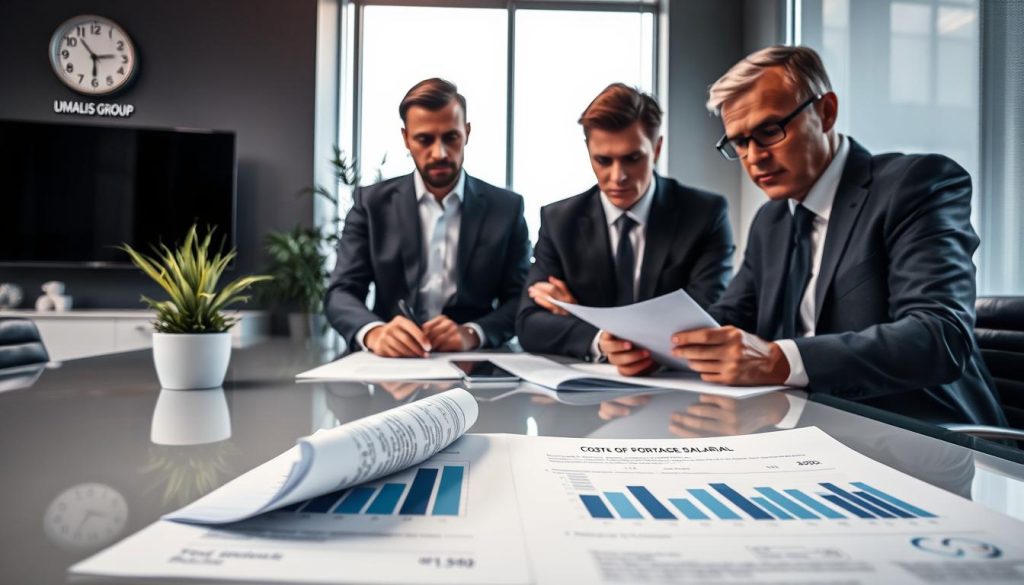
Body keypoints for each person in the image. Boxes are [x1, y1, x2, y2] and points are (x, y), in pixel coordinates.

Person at [666, 46, 1003, 425]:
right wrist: (657, 344)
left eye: (769, 130)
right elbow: (730, 319)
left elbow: (940, 337)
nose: (754, 156)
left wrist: (781, 360)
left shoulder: (916, 185)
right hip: (812, 430)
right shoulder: (772, 220)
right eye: (740, 142)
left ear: (825, 112)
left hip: (926, 436)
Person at [516, 83, 735, 371]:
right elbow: (529, 324)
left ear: (657, 148)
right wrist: (600, 340)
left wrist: (583, 315)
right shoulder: (560, 220)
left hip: (677, 392)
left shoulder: (704, 214)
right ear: (588, 152)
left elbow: (709, 315)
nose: (617, 176)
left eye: (633, 158)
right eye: (603, 160)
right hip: (584, 402)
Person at [324, 78, 531, 356]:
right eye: (424, 139)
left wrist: (473, 333)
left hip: (476, 361)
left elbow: (520, 299)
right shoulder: (370, 204)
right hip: (390, 362)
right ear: (406, 138)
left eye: (451, 137)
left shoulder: (506, 208)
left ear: (467, 133)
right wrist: (374, 332)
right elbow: (341, 292)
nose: (439, 153)